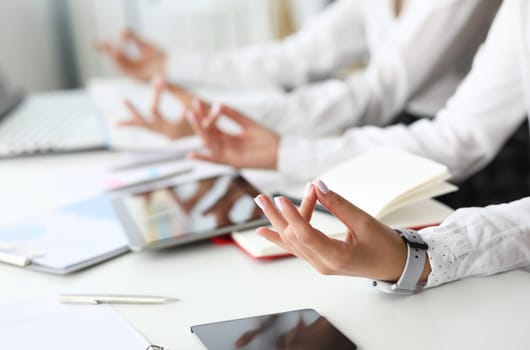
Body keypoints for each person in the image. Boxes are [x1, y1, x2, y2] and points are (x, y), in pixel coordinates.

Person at [185, 0, 530, 291]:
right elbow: (457, 134)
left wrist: (421, 255)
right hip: (426, 139)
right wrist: (280, 151)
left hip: (495, 165)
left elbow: (380, 89)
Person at [98, 0, 500, 140]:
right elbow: (298, 55)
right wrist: (171, 64)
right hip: (398, 128)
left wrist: (217, 114)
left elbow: (377, 92)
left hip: (473, 149)